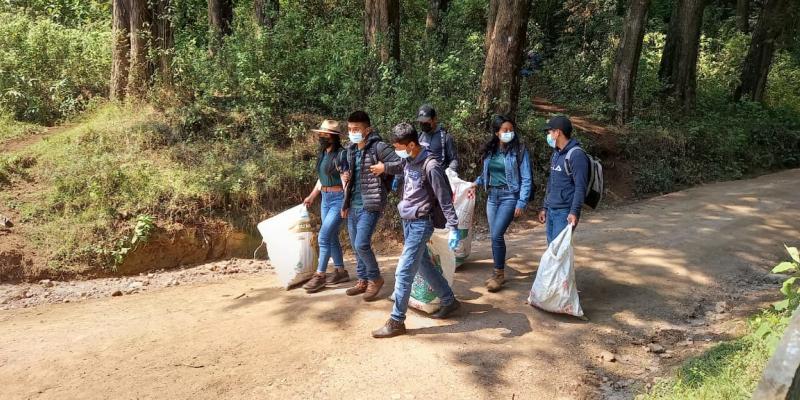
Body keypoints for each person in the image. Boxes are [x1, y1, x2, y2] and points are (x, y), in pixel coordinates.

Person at [371, 122, 462, 338]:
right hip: (408, 219)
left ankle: (396, 321)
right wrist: (385, 168)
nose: (397, 151)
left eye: (400, 147)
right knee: (422, 264)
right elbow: (399, 166)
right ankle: (448, 300)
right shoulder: (409, 157)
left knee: (404, 270)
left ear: (411, 144)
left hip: (422, 222)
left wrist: (454, 227)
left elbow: (444, 197)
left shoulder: (431, 166)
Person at [341, 111, 402, 301]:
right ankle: (363, 279)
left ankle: (375, 278)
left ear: (368, 130)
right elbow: (351, 176)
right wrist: (345, 181)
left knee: (361, 243)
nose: (352, 132)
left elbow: (401, 163)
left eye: (356, 129)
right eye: (350, 129)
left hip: (372, 202)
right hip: (353, 204)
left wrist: (384, 168)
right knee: (355, 245)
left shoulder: (379, 147)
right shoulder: (350, 149)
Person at [467, 115, 532, 292]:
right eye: (505, 130)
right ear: (497, 132)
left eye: (511, 130)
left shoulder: (519, 150)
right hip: (492, 197)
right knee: (495, 236)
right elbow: (487, 173)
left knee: (496, 234)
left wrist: (521, 202)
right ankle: (498, 272)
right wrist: (476, 183)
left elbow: (526, 178)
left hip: (510, 196)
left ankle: (498, 274)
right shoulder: (491, 150)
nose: (509, 133)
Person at [301, 120, 350, 293]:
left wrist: (346, 203)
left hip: (338, 199)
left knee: (323, 236)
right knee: (331, 236)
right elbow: (321, 179)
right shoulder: (323, 153)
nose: (320, 136)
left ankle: (320, 275)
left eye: (324, 134)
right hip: (325, 198)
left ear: (333, 137)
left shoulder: (342, 155)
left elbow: (346, 180)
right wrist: (312, 196)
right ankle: (340, 271)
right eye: (320, 133)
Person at [538, 115, 589, 244]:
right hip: (552, 210)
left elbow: (580, 187)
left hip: (565, 212)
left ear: (558, 132)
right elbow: (551, 182)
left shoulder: (577, 155)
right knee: (552, 250)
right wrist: (545, 207)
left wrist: (574, 212)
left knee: (559, 252)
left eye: (549, 132)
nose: (548, 135)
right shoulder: (556, 154)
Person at [416, 104, 459, 172]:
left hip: (439, 177)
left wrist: (449, 173)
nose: (423, 123)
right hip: (421, 178)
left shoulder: (445, 137)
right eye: (421, 121)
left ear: (434, 119)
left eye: (426, 120)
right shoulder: (419, 136)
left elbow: (454, 160)